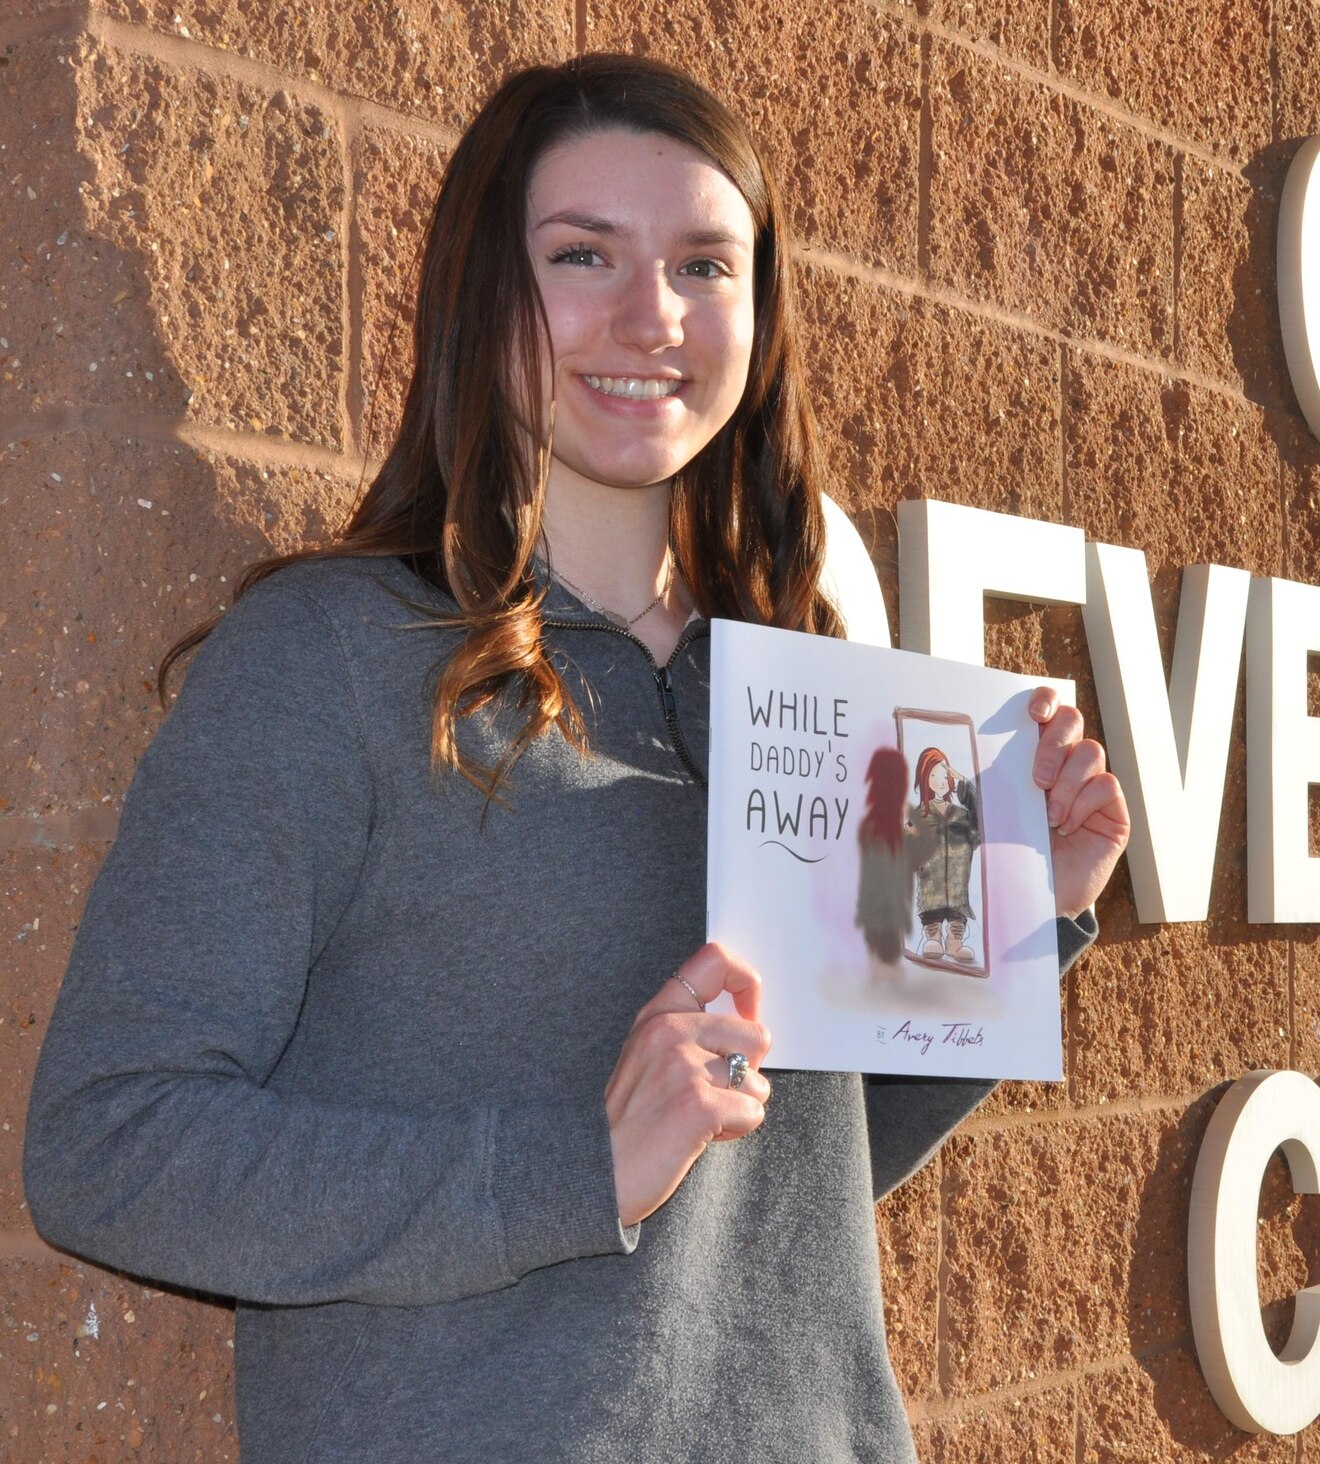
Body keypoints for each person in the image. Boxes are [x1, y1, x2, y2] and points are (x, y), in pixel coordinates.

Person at [22, 55, 1130, 1462]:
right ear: (484, 293)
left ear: (760, 310)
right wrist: (578, 1170)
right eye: (583, 254)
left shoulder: (805, 686)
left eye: (705, 264)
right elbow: (111, 1150)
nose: (651, 313)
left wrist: (1036, 917)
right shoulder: (331, 660)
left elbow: (793, 1185)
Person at [906, 746, 982, 964]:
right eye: (932, 774)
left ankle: (954, 942)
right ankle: (933, 936)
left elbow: (980, 831)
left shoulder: (962, 815)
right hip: (931, 882)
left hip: (959, 883)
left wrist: (966, 788)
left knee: (958, 911)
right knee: (932, 907)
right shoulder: (919, 817)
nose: (940, 780)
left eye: (943, 773)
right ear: (924, 779)